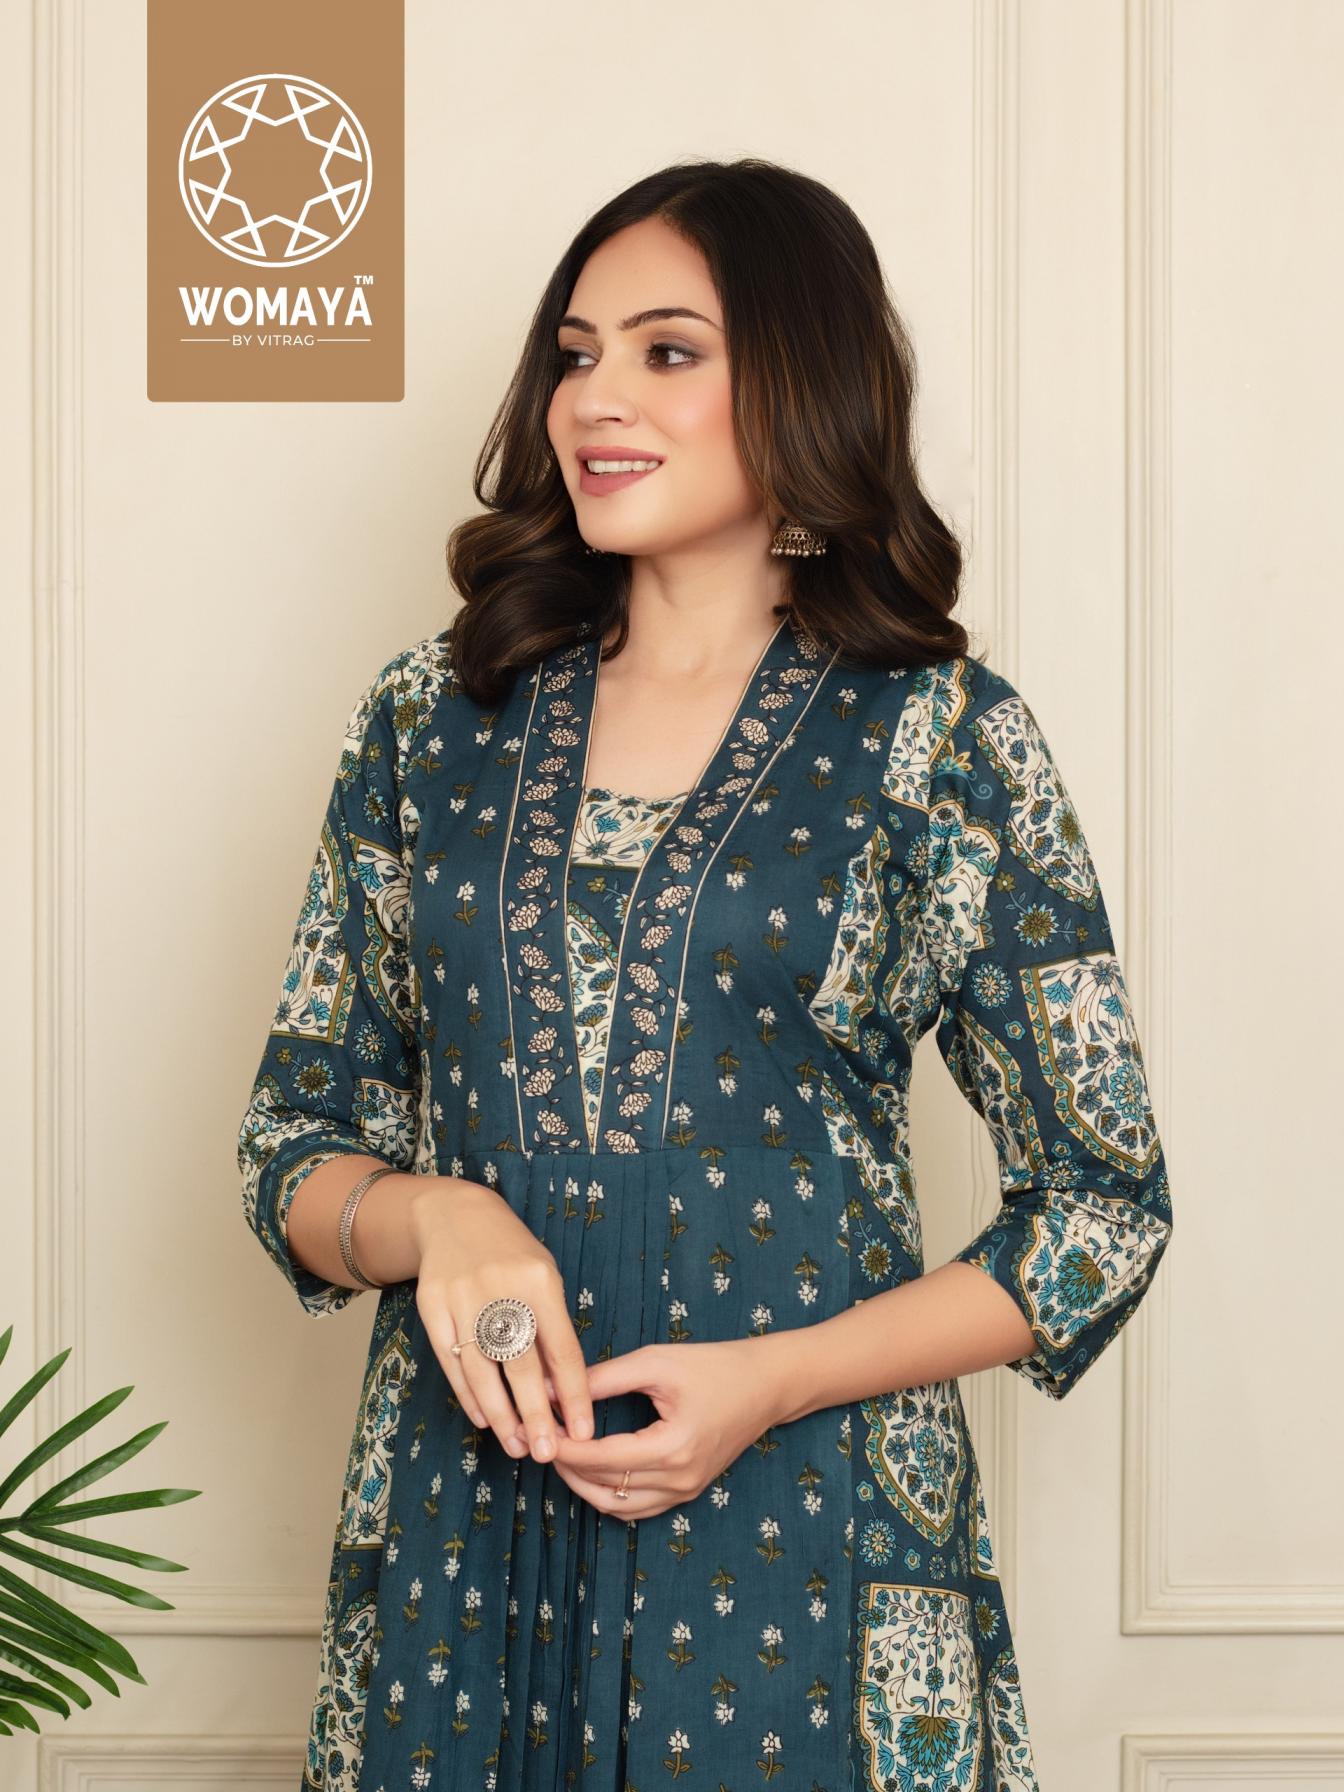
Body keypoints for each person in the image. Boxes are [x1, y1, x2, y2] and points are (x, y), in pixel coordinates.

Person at [237, 157, 1174, 1792]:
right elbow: (291, 1147)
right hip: (462, 1540)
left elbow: (1102, 1208)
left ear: (804, 383)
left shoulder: (940, 740)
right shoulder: (429, 721)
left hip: (813, 1540)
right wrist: (438, 1216)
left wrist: (771, 1382)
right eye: (575, 354)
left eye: (667, 351)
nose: (594, 399)